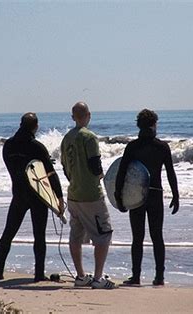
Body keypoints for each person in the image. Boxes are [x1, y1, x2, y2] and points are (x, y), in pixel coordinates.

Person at [0, 113, 64, 281]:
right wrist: (59, 197)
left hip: (18, 194)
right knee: (39, 235)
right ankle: (38, 274)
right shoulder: (37, 147)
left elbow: (14, 168)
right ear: (36, 126)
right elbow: (50, 173)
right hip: (37, 195)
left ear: (21, 124)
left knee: (8, 232)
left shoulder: (8, 146)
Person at [115, 109, 179, 286]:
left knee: (138, 237)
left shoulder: (133, 147)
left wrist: (118, 196)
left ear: (139, 125)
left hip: (136, 196)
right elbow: (170, 173)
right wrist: (176, 194)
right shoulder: (162, 147)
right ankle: (159, 277)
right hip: (155, 194)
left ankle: (136, 277)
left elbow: (122, 173)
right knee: (157, 236)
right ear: (154, 124)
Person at [60, 102, 116, 289]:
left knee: (76, 234)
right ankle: (98, 278)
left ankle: (81, 276)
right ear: (89, 115)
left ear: (72, 116)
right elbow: (95, 165)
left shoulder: (66, 138)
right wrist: (101, 176)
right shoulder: (89, 137)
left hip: (73, 194)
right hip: (91, 194)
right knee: (103, 234)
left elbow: (65, 167)